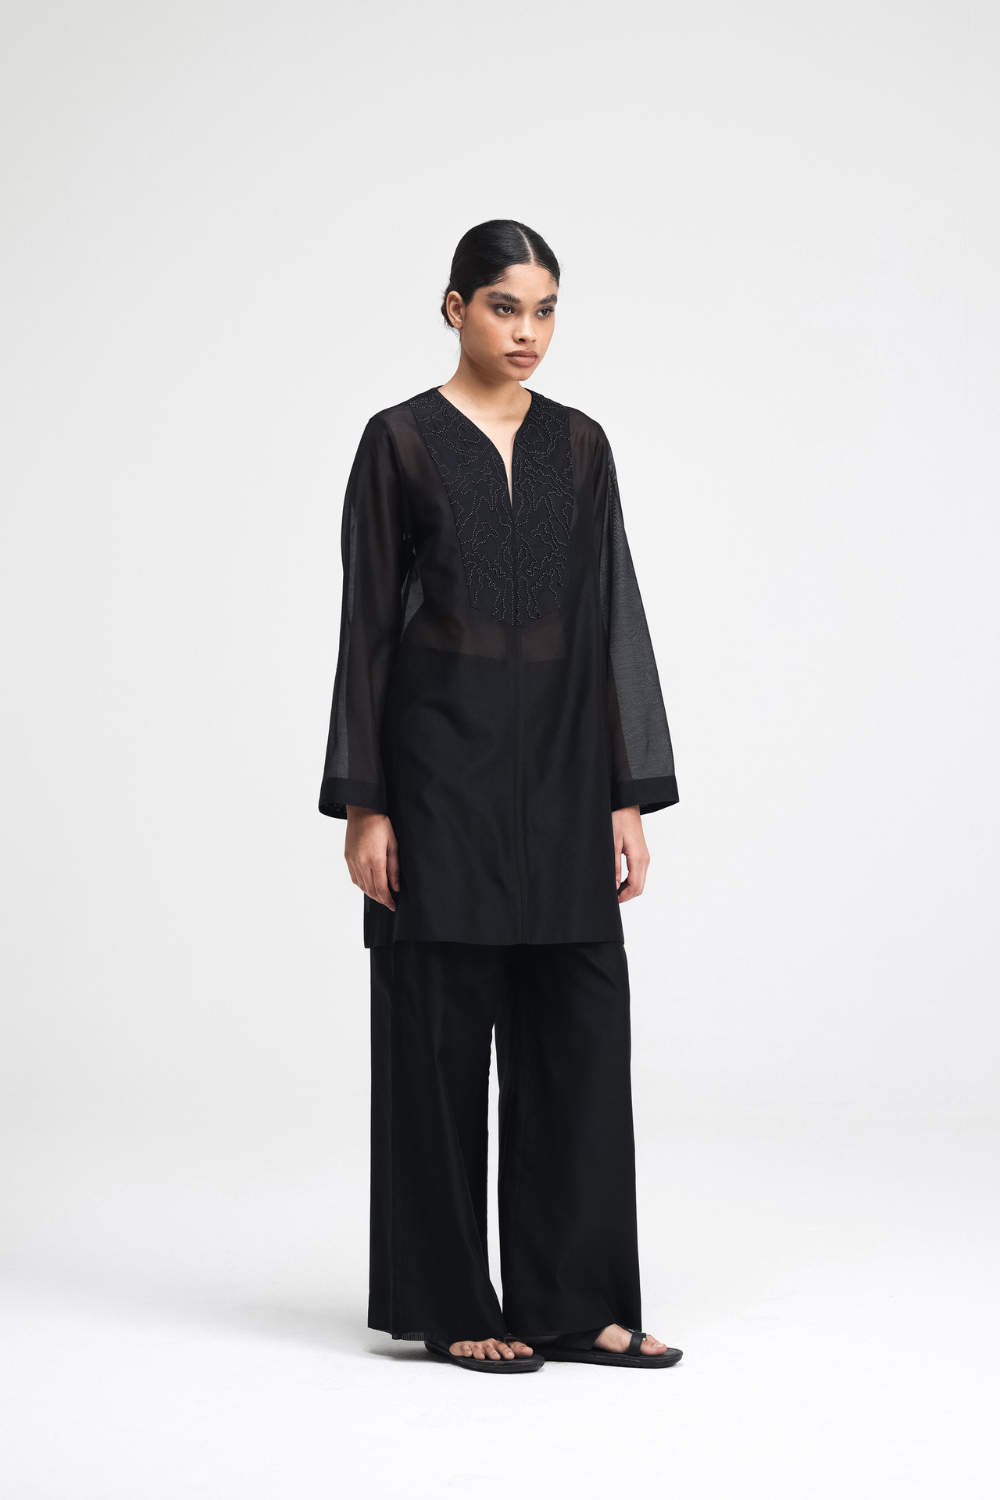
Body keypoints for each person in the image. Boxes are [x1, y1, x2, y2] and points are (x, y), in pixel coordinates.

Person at [319, 220, 681, 1373]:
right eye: (503, 307)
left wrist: (623, 795)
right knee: (435, 1038)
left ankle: (573, 1304)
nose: (527, 331)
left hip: (566, 775)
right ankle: (452, 1301)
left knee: (578, 1037)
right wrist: (367, 802)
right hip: (440, 777)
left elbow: (609, 619)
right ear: (454, 308)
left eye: (545, 309)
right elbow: (368, 627)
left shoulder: (581, 445)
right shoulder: (399, 441)